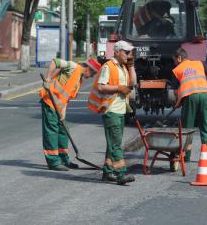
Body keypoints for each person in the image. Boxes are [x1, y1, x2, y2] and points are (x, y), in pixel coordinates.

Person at [87, 40, 137, 185]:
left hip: (121, 110)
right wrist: (119, 88)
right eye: (126, 52)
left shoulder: (123, 67)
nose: (129, 55)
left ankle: (108, 172)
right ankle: (121, 174)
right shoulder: (108, 66)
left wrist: (131, 65)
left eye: (130, 52)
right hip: (111, 110)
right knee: (115, 145)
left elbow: (132, 83)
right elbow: (101, 87)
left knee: (113, 143)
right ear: (116, 52)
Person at [39, 57, 101, 171]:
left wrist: (63, 112)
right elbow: (55, 62)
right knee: (52, 131)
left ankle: (64, 159)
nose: (91, 77)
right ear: (88, 69)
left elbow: (66, 97)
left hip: (59, 106)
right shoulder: (73, 66)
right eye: (92, 74)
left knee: (63, 130)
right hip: (49, 101)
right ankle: (53, 161)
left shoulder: (79, 80)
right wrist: (47, 79)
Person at [171, 47, 207, 164]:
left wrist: (178, 103)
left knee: (188, 127)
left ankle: (186, 156)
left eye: (175, 60)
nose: (175, 63)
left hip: (190, 98)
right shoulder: (200, 63)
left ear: (179, 58)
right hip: (204, 96)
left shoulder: (177, 70)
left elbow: (176, 92)